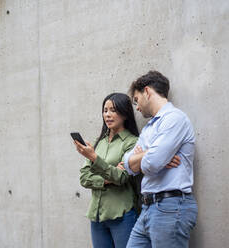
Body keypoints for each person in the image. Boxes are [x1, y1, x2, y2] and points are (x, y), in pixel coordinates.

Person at [73, 93, 180, 248]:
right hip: (96, 216)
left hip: (122, 214)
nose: (107, 115)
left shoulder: (132, 143)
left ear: (124, 114)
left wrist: (95, 159)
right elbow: (84, 178)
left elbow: (122, 177)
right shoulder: (99, 143)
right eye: (105, 110)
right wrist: (107, 178)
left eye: (113, 110)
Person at [124, 71, 198, 248]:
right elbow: (127, 164)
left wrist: (148, 158)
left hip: (171, 207)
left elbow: (151, 164)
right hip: (148, 207)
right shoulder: (149, 128)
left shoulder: (175, 119)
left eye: (136, 99)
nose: (137, 107)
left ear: (147, 92)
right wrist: (151, 153)